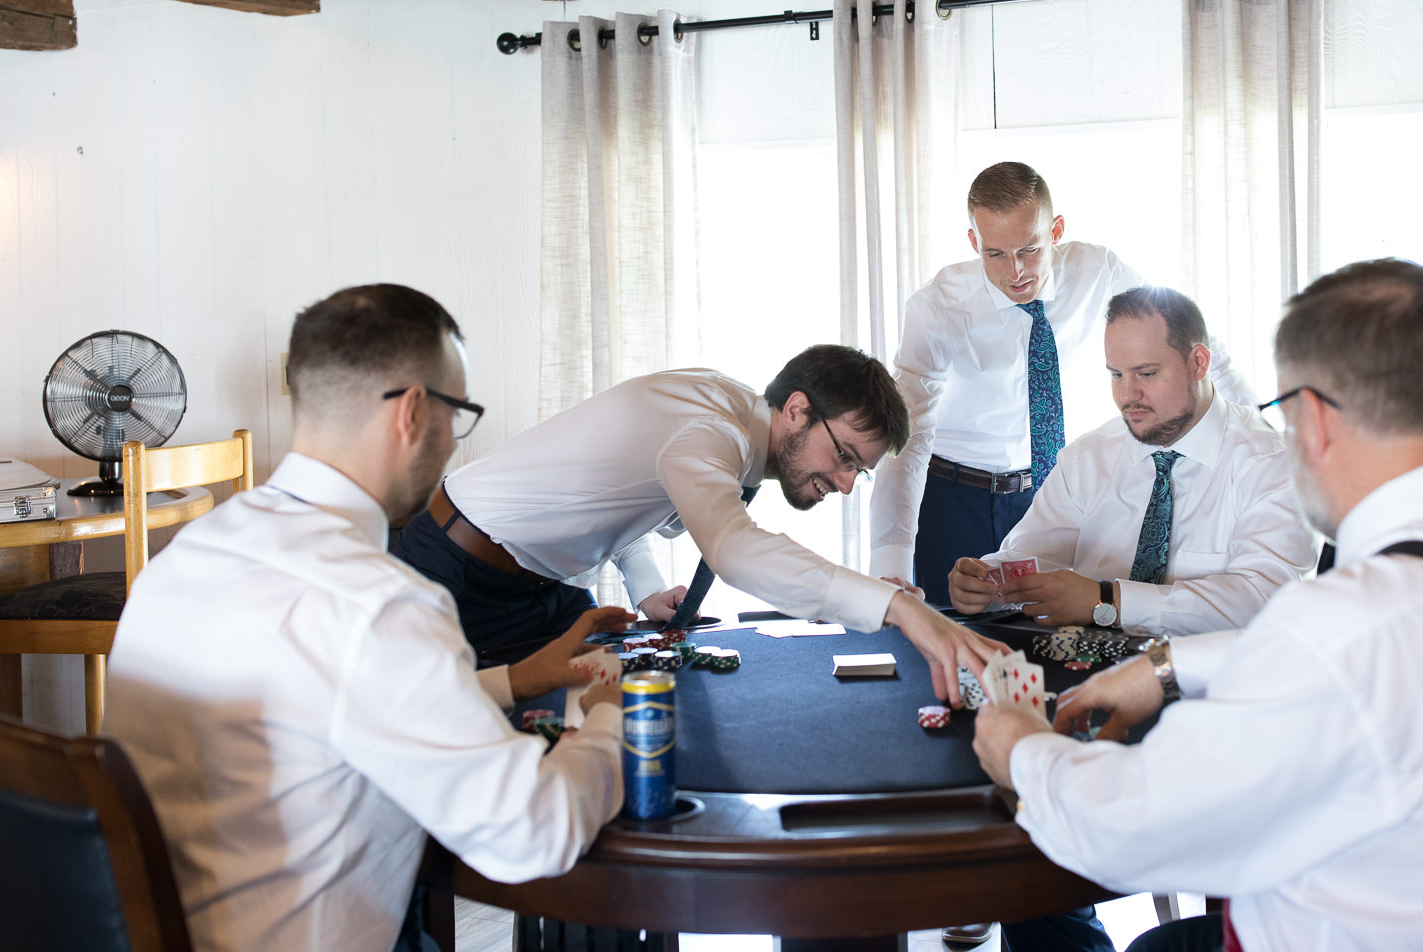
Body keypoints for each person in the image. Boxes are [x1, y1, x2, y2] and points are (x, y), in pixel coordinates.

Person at [972, 259, 1423, 952]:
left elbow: (1124, 827)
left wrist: (1021, 750)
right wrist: (1168, 667)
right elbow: (1388, 659)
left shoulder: (1339, 630)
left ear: (1316, 420)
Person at [106, 284, 632, 952]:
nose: (453, 442)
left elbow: (322, 701)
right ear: (413, 412)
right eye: (458, 414)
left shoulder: (184, 558)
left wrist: (514, 679)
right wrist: (606, 717)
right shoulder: (378, 604)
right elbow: (533, 835)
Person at [393, 344, 1005, 703]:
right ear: (797, 409)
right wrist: (897, 609)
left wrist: (646, 589)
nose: (845, 484)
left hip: (543, 588)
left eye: (859, 472)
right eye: (845, 456)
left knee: (598, 730)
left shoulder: (728, 418)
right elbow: (733, 550)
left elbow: (615, 491)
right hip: (454, 573)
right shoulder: (713, 430)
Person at [871, 162, 1252, 608]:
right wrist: (890, 565)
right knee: (948, 628)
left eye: (1029, 250)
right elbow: (907, 437)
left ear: (1056, 231)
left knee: (1054, 627)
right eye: (995, 254)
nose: (1015, 271)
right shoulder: (938, 306)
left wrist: (1259, 423)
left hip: (1052, 494)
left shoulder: (1099, 270)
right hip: (953, 497)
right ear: (974, 242)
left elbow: (1186, 336)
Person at [949, 286, 1313, 634]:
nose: (1127, 395)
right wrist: (986, 584)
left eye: (1147, 374)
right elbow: (1031, 559)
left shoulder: (1273, 464)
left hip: (1214, 673)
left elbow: (1266, 600)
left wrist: (1108, 600)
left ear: (1199, 363)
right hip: (1085, 668)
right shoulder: (1087, 458)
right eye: (1116, 374)